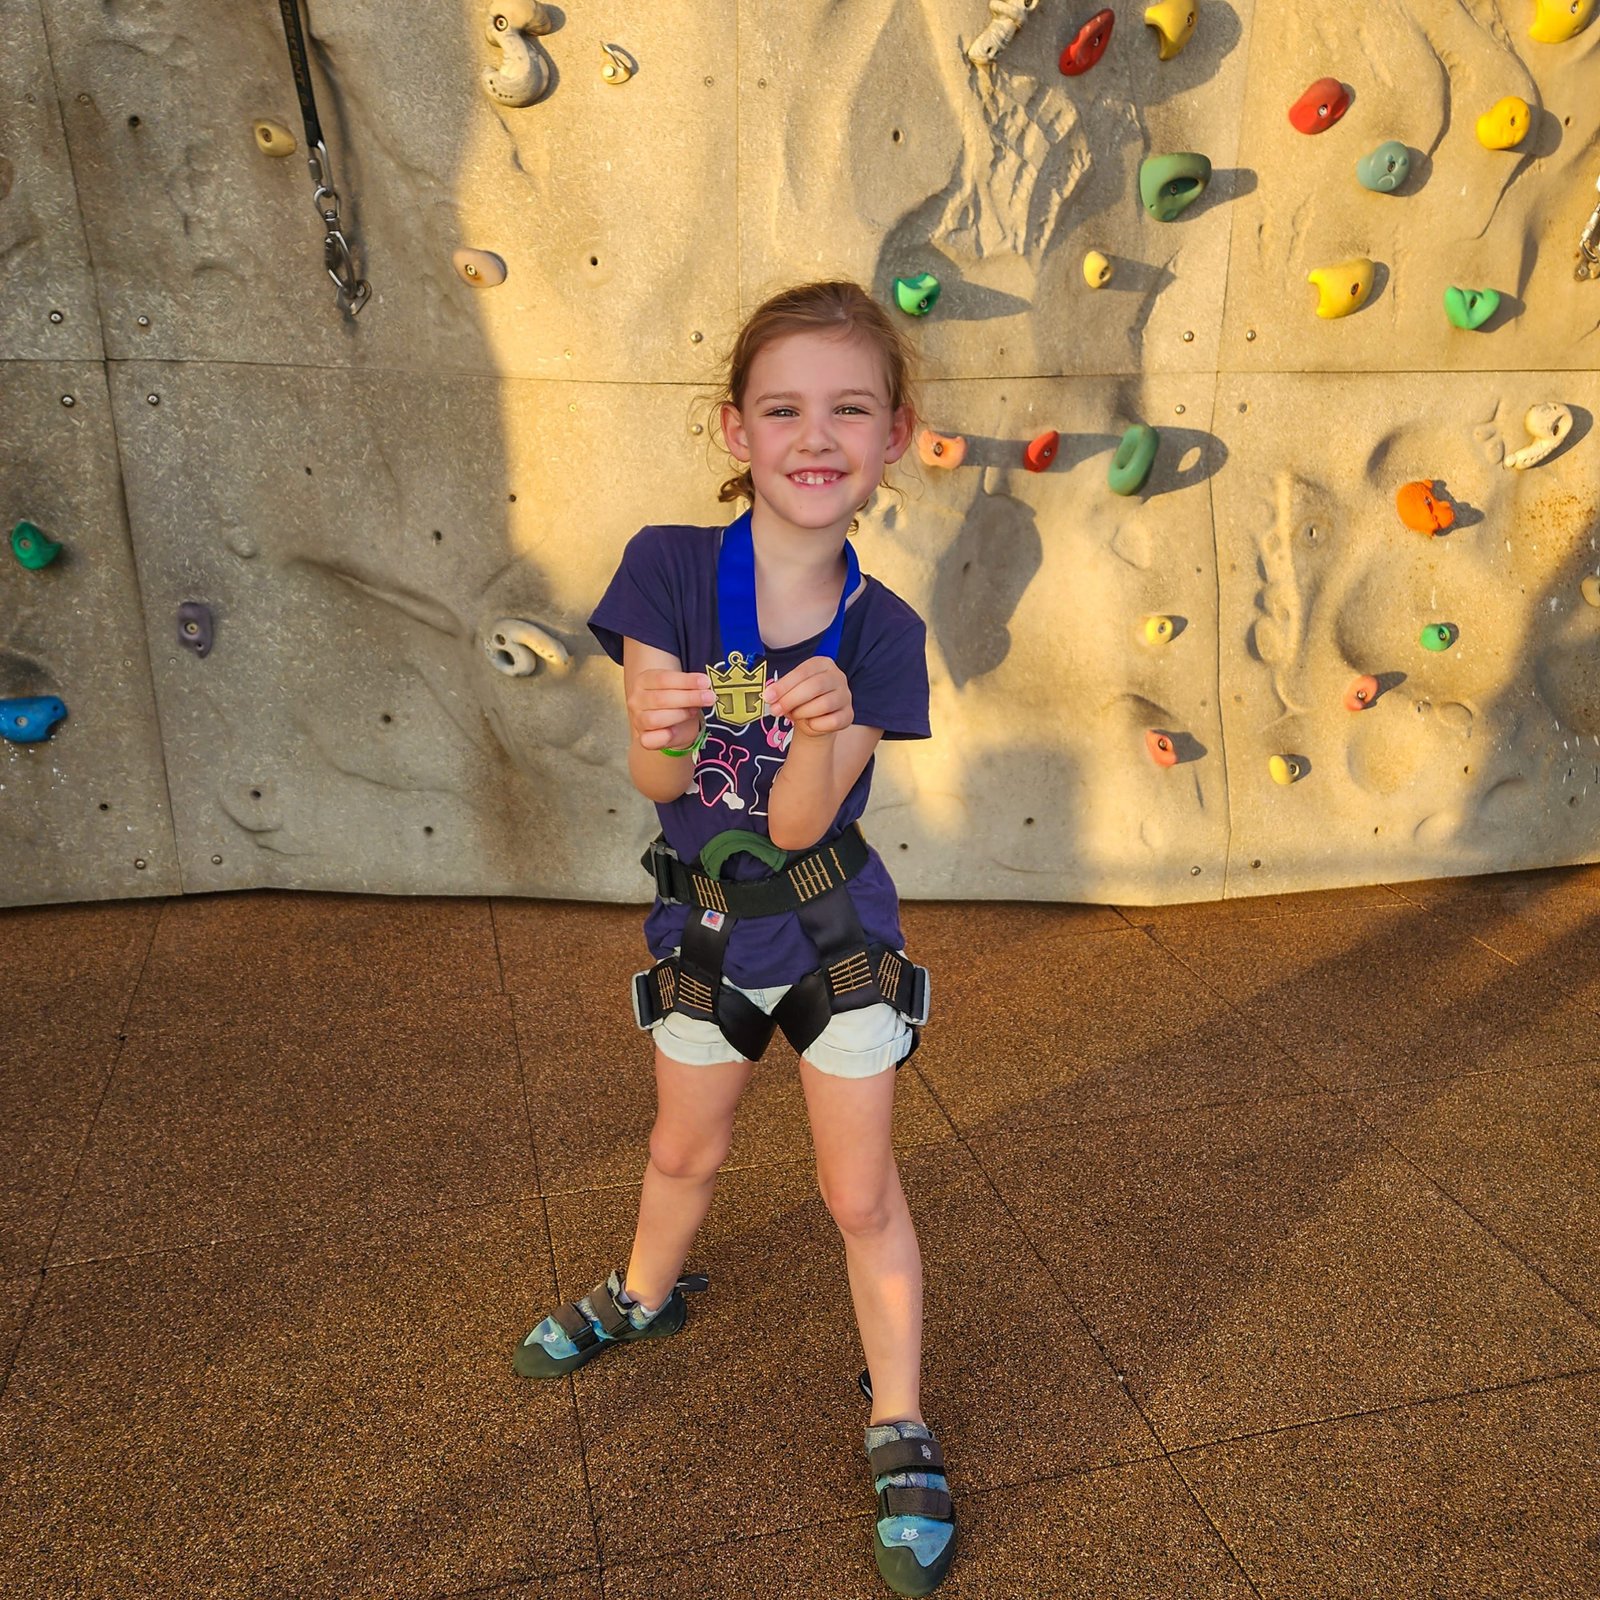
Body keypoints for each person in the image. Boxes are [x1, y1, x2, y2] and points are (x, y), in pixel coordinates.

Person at [514, 281, 954, 1596]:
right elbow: (658, 789)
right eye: (784, 409)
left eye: (849, 409)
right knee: (680, 1148)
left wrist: (821, 725)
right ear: (736, 430)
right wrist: (655, 714)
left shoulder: (885, 634)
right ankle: (646, 1292)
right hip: (703, 929)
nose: (815, 436)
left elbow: (806, 818)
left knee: (858, 1193)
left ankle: (900, 1419)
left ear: (893, 437)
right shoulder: (665, 569)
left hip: (830, 937)